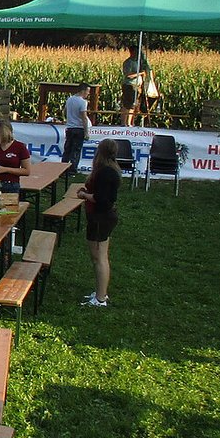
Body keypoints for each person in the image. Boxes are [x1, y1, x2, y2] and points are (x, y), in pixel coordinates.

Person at [77, 137, 122, 308]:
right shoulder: (111, 170)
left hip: (100, 217)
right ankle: (100, 292)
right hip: (103, 217)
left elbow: (101, 199)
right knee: (100, 256)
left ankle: (101, 298)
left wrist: (84, 195)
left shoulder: (105, 172)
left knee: (99, 258)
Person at [0, 119, 31, 194]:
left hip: (10, 184)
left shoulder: (20, 147)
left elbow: (26, 171)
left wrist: (5, 169)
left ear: (3, 132)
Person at [62, 83, 90, 177]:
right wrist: (86, 132)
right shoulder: (83, 102)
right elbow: (84, 117)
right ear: (83, 91)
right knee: (76, 151)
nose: (88, 93)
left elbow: (65, 111)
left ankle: (62, 169)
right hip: (79, 128)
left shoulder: (69, 99)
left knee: (67, 150)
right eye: (87, 91)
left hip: (70, 128)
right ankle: (72, 171)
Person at [121, 43, 151, 127]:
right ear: (132, 52)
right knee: (128, 104)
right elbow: (128, 75)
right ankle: (125, 123)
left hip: (137, 86)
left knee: (133, 105)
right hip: (130, 85)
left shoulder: (137, 62)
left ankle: (130, 122)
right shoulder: (128, 62)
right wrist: (140, 73)